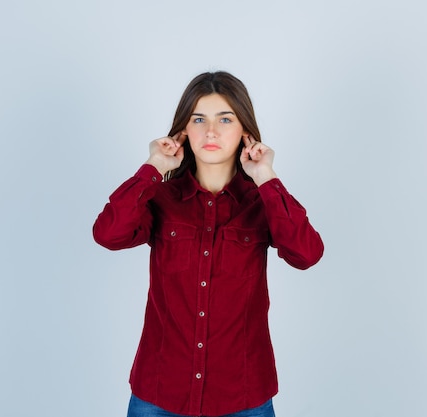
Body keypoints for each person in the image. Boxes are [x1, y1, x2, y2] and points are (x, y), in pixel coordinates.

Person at [93, 71, 324, 417]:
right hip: (160, 394)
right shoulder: (161, 198)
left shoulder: (262, 202)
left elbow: (307, 254)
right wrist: (154, 166)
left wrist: (266, 177)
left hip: (242, 396)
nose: (211, 131)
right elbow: (108, 233)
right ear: (184, 130)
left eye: (225, 119)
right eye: (198, 119)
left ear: (245, 132)